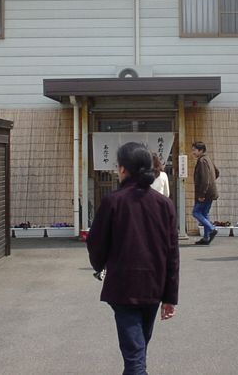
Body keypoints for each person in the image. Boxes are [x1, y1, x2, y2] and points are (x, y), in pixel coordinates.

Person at [87, 142, 179, 375]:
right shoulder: (164, 204)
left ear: (123, 169)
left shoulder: (113, 201)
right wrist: (170, 296)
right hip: (154, 286)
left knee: (135, 354)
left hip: (123, 286)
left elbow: (96, 243)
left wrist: (100, 266)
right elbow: (172, 253)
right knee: (137, 350)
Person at [191, 141, 219, 245]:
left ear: (201, 150)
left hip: (205, 193)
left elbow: (204, 179)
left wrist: (202, 194)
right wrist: (212, 182)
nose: (193, 152)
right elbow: (217, 172)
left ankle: (212, 229)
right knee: (205, 213)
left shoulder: (202, 161)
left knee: (196, 212)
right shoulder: (208, 159)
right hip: (210, 192)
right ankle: (206, 238)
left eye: (194, 150)